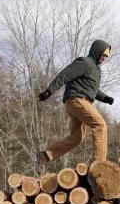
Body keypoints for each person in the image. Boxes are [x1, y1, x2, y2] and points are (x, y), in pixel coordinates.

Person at [37, 39, 114, 167]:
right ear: (97, 51)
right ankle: (99, 165)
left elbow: (92, 89)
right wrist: (49, 91)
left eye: (107, 56)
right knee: (100, 125)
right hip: (76, 100)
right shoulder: (84, 63)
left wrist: (105, 98)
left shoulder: (96, 69)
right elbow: (65, 75)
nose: (105, 58)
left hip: (82, 102)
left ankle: (45, 156)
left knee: (77, 137)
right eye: (104, 54)